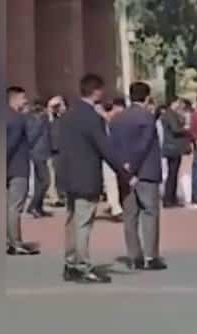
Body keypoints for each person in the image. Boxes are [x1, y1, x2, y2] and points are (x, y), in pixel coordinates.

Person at [57, 73, 133, 283]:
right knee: (83, 223)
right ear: (97, 91)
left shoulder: (68, 115)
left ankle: (70, 262)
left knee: (72, 221)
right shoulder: (92, 118)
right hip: (86, 175)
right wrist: (124, 173)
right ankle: (82, 266)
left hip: (68, 174)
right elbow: (105, 148)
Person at [110, 81, 166, 271]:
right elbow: (143, 145)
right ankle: (150, 256)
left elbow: (113, 146)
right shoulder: (146, 118)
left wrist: (124, 169)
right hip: (145, 172)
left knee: (130, 215)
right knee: (149, 213)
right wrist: (133, 168)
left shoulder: (117, 119)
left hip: (124, 174)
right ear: (147, 97)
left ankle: (134, 256)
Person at [6, 86, 39, 255]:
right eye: (23, 98)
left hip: (7, 166)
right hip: (17, 167)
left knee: (7, 206)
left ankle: (8, 240)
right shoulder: (18, 119)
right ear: (14, 99)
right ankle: (15, 242)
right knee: (14, 207)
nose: (25, 101)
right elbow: (12, 143)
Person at [24, 101, 55, 218]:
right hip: (37, 154)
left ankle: (38, 207)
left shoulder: (44, 119)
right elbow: (31, 137)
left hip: (44, 153)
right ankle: (32, 206)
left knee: (39, 182)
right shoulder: (32, 119)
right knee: (45, 181)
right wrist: (40, 122)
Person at [160, 99, 191, 207]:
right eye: (177, 102)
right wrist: (186, 129)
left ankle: (171, 197)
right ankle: (169, 198)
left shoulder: (170, 114)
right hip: (173, 147)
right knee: (172, 174)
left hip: (172, 146)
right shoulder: (170, 114)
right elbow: (175, 129)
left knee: (173, 173)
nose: (179, 105)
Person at [45, 96, 67, 208]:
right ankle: (54, 198)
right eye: (57, 106)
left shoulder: (64, 118)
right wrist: (50, 108)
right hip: (51, 150)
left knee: (62, 174)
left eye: (60, 105)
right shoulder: (49, 119)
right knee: (52, 175)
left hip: (63, 150)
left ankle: (62, 194)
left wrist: (62, 107)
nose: (58, 108)